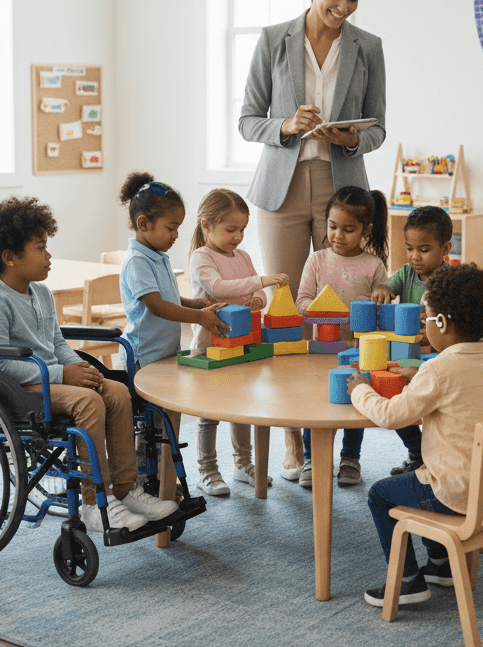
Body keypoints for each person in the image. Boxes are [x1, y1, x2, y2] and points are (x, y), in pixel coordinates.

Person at [238, 0, 387, 479]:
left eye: (354, 0)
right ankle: (292, 442)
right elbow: (247, 120)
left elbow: (378, 126)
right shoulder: (272, 39)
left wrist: (352, 137)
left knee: (338, 314)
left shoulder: (368, 47)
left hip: (341, 188)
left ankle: (338, 436)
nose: (344, 8)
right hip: (281, 187)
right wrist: (285, 124)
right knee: (286, 310)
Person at [0, 195, 178, 534]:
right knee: (89, 401)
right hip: (20, 389)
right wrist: (62, 374)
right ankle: (95, 503)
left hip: (50, 379)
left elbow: (57, 343)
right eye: (40, 248)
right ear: (9, 258)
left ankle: (126, 490)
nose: (48, 255)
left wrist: (79, 368)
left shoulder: (41, 293)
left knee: (116, 392)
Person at [346, 264, 483, 607]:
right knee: (421, 475)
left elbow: (391, 416)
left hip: (457, 493)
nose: (424, 325)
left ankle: (407, 582)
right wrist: (419, 373)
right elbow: (458, 382)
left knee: (381, 495)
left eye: (427, 318)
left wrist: (360, 390)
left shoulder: (439, 369)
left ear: (443, 323)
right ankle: (440, 565)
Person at [187, 188, 287, 497]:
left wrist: (257, 298)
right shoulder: (201, 257)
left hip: (244, 343)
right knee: (209, 413)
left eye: (242, 230)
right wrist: (261, 282)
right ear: (207, 225)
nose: (238, 237)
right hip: (210, 345)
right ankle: (207, 470)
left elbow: (254, 294)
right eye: (231, 230)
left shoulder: (242, 257)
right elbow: (219, 287)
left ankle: (243, 464)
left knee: (241, 406)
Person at [294, 185, 390, 487]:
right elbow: (301, 301)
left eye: (349, 230)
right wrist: (325, 310)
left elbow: (384, 306)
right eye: (332, 226)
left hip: (357, 350)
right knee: (316, 403)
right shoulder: (317, 260)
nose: (338, 235)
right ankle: (312, 459)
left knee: (355, 399)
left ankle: (350, 458)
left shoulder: (374, 265)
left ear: (366, 230)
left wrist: (381, 296)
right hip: (322, 349)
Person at [117, 171, 229, 370]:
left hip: (163, 351)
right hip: (143, 355)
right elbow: (157, 306)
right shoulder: (137, 261)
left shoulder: (157, 256)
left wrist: (194, 304)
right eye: (171, 228)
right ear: (144, 224)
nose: (176, 235)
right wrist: (199, 317)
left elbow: (166, 298)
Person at [376, 205, 454, 476]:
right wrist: (383, 289)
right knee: (398, 400)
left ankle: (434, 457)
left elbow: (455, 320)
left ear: (445, 248)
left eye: (424, 249)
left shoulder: (450, 279)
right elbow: (387, 286)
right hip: (407, 353)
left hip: (437, 355)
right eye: (409, 248)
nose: (414, 256)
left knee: (435, 410)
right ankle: (416, 451)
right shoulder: (406, 272)